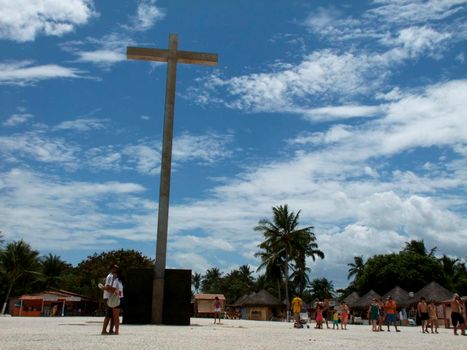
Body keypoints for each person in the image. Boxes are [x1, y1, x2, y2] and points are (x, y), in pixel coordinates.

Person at [100, 264, 118, 335]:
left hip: (110, 297)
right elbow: (107, 287)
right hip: (108, 298)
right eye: (115, 268)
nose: (116, 270)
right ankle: (104, 330)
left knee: (112, 315)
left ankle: (111, 330)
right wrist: (114, 291)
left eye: (117, 268)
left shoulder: (113, 277)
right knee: (108, 314)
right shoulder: (110, 276)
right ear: (112, 269)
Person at [110, 267, 124, 335]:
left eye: (114, 273)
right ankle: (117, 330)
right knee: (117, 316)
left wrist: (104, 288)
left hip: (116, 299)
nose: (113, 274)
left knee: (115, 316)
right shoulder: (120, 281)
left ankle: (116, 331)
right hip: (121, 299)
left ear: (116, 274)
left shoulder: (115, 281)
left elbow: (114, 290)